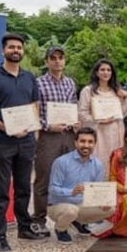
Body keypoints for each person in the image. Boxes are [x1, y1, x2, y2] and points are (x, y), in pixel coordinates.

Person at [0, 33, 46, 252]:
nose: (15, 50)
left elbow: (35, 105)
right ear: (3, 50)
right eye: (11, 47)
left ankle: (24, 228)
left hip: (25, 141)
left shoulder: (29, 77)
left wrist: (33, 131)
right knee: (0, 190)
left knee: (24, 187)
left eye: (19, 47)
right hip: (2, 142)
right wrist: (6, 127)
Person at [32, 45, 78, 237]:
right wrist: (47, 126)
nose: (57, 61)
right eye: (53, 58)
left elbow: (73, 105)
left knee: (71, 176)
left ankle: (71, 217)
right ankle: (39, 219)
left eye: (60, 58)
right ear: (46, 62)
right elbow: (32, 111)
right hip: (48, 135)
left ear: (64, 60)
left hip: (68, 135)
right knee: (44, 177)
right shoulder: (38, 83)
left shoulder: (70, 83)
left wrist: (75, 122)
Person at [47, 127, 115, 245]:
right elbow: (52, 189)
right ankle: (60, 229)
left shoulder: (98, 164)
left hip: (81, 204)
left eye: (90, 142)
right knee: (71, 211)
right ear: (76, 142)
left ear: (95, 144)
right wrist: (71, 192)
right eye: (82, 141)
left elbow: (96, 189)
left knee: (111, 208)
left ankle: (79, 222)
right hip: (58, 205)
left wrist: (103, 202)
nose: (86, 145)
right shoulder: (61, 162)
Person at [78, 59, 127, 174]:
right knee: (100, 163)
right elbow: (82, 113)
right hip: (99, 132)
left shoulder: (117, 91)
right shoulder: (88, 91)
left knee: (116, 162)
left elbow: (123, 113)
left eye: (108, 70)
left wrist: (126, 98)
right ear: (96, 72)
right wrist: (99, 120)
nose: (106, 72)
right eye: (102, 70)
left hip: (116, 132)